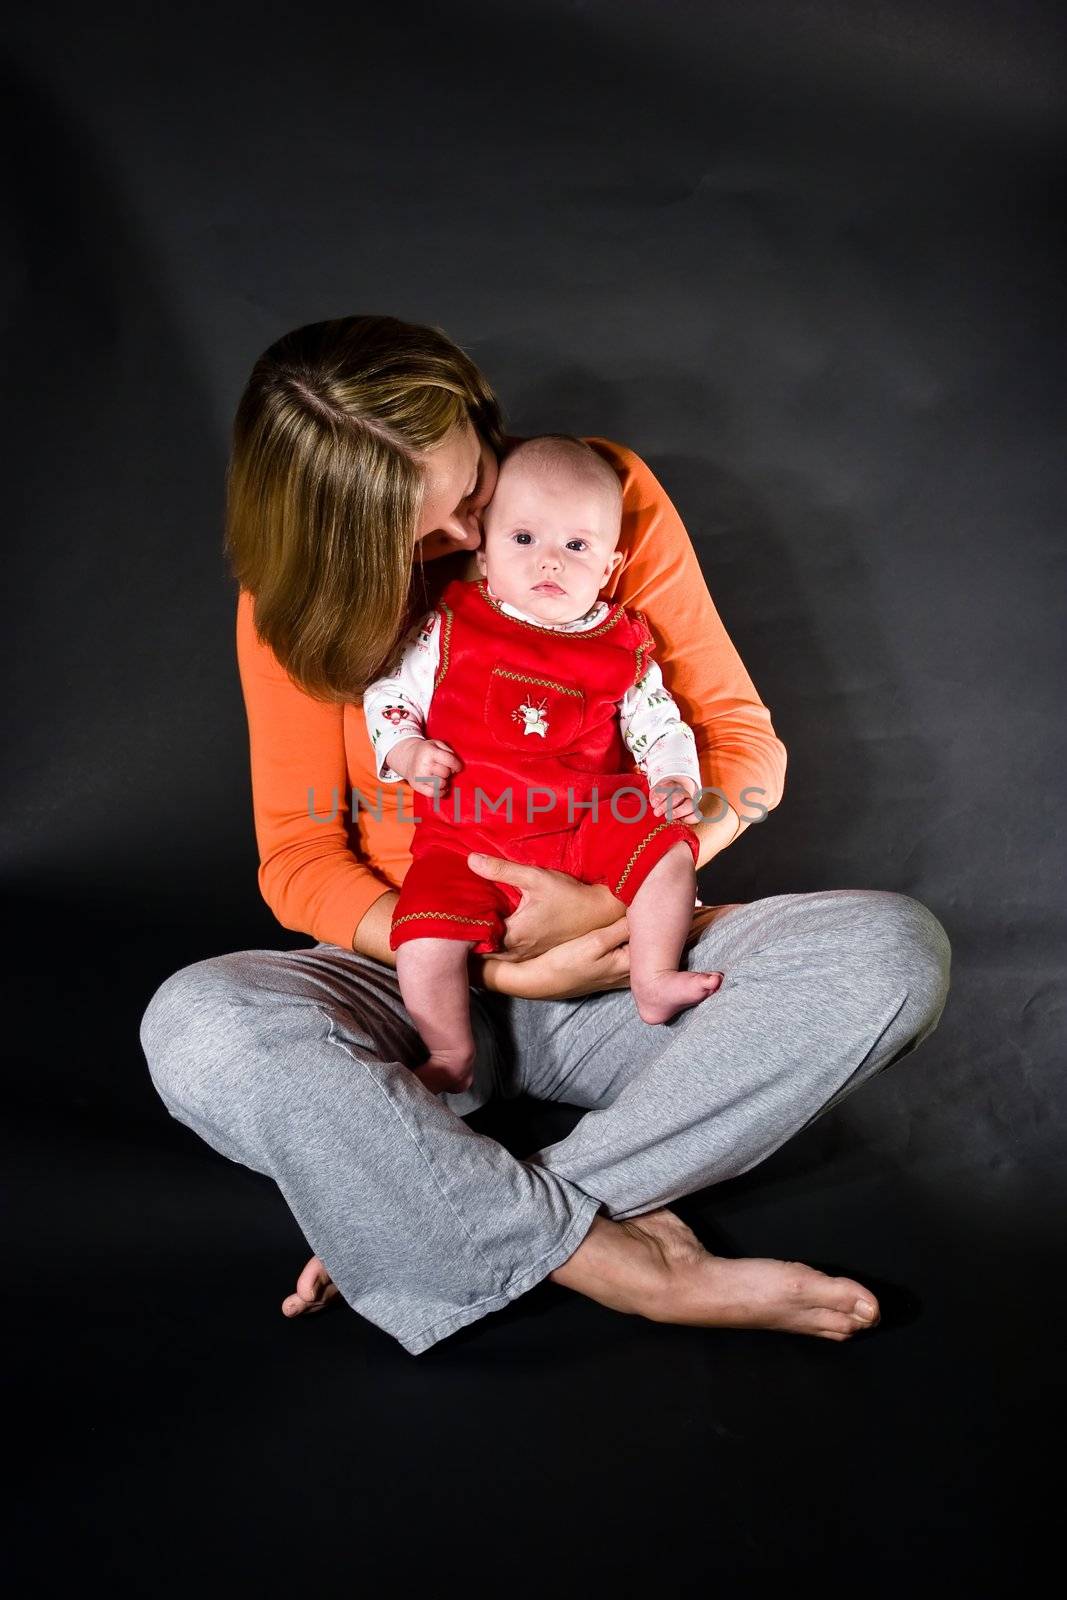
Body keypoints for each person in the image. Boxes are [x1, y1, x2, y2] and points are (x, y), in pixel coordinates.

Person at [139, 314, 952, 1357]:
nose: (472, 542)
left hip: (621, 967)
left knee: (885, 956)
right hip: (414, 973)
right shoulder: (288, 602)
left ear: (482, 427)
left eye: (473, 493)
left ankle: (432, 1210)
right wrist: (491, 964)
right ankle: (630, 1264)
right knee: (199, 1027)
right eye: (422, 535)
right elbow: (298, 856)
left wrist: (608, 906)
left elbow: (742, 753)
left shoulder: (584, 500)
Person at [364, 434, 723, 1096]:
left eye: (575, 547)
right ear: (483, 549)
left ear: (610, 564)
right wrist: (406, 750)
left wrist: (674, 780)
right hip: (466, 838)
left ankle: (652, 977)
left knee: (669, 853)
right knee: (419, 937)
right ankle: (450, 1052)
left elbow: (657, 724)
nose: (549, 563)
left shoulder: (622, 642)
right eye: (523, 540)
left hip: (589, 822)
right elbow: (390, 695)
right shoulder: (449, 625)